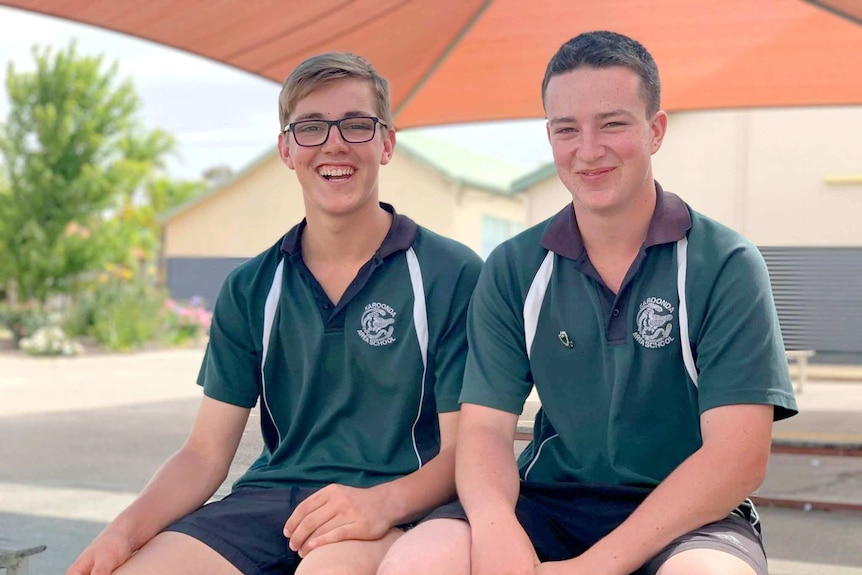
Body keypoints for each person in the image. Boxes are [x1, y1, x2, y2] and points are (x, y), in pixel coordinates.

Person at [378, 30, 797, 575]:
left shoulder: (725, 264)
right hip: (548, 501)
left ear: (656, 130)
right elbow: (483, 430)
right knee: (419, 560)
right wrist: (494, 522)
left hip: (691, 516)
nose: (589, 149)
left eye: (613, 124)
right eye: (566, 129)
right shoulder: (514, 267)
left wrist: (595, 565)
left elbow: (736, 459)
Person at [67, 52, 482, 575]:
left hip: (396, 506)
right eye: (310, 128)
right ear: (286, 149)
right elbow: (203, 455)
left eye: (356, 125)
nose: (334, 143)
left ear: (387, 143)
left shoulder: (451, 273)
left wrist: (382, 505)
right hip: (272, 502)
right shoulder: (250, 287)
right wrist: (121, 533)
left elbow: (467, 452)